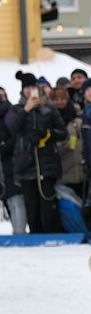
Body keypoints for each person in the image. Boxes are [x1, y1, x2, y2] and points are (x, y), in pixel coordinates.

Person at [6, 71, 67, 233]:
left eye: (32, 87)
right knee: (31, 204)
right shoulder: (16, 109)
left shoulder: (48, 109)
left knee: (47, 201)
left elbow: (63, 132)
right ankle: (35, 233)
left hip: (46, 162)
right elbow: (11, 128)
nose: (29, 91)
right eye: (27, 87)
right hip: (25, 163)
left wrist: (48, 134)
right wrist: (25, 110)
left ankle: (51, 232)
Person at [49, 87, 84, 198]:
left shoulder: (76, 119)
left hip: (79, 169)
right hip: (61, 171)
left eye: (63, 99)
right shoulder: (49, 119)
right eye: (56, 99)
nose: (60, 102)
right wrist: (64, 146)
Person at [0, 88, 27, 234]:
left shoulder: (9, 112)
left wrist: (4, 147)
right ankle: (17, 230)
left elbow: (14, 135)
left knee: (15, 197)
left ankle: (19, 231)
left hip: (11, 160)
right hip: (6, 161)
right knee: (9, 198)